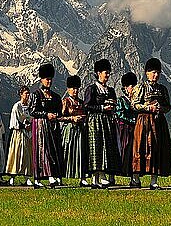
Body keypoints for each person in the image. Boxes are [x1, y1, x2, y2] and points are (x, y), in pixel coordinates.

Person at [131, 58, 171, 189]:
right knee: (141, 148)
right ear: (147, 73)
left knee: (157, 149)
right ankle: (136, 178)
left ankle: (154, 180)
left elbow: (168, 106)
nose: (156, 75)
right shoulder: (140, 87)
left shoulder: (163, 89)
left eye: (158, 73)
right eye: (153, 72)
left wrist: (161, 108)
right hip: (144, 122)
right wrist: (148, 107)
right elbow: (134, 105)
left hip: (159, 122)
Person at [84, 59, 121, 188]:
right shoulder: (92, 89)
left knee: (106, 147)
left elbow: (114, 104)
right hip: (95, 121)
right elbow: (87, 105)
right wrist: (101, 108)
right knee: (96, 148)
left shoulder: (111, 90)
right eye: (106, 72)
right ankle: (96, 178)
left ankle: (100, 177)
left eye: (109, 72)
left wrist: (111, 107)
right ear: (98, 73)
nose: (108, 75)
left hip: (107, 121)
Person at [29, 63, 64, 188]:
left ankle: (53, 175)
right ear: (41, 79)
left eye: (50, 79)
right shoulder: (36, 95)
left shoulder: (55, 96)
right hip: (40, 126)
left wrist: (55, 115)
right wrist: (46, 114)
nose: (49, 81)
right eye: (47, 79)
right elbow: (32, 111)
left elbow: (60, 111)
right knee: (42, 151)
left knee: (53, 150)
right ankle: (42, 178)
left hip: (52, 126)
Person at [58, 75, 88, 187]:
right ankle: (60, 177)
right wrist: (71, 118)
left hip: (80, 130)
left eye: (76, 88)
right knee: (65, 152)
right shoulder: (65, 101)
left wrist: (82, 118)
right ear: (68, 89)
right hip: (68, 130)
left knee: (80, 152)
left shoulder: (81, 102)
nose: (75, 91)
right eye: (72, 88)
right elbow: (59, 117)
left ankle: (82, 177)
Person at [6, 86, 33, 186]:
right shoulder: (17, 106)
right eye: (26, 93)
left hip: (28, 134)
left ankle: (27, 177)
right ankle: (13, 176)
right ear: (21, 94)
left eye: (28, 93)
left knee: (27, 155)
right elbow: (14, 122)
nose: (27, 95)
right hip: (18, 133)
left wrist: (30, 125)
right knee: (16, 153)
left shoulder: (30, 106)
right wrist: (24, 126)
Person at [115, 72, 138, 185]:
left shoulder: (137, 101)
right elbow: (120, 114)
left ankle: (134, 177)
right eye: (131, 86)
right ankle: (114, 175)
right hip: (124, 130)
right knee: (123, 151)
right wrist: (132, 121)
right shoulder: (121, 100)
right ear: (125, 87)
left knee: (135, 153)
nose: (133, 89)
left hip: (135, 129)